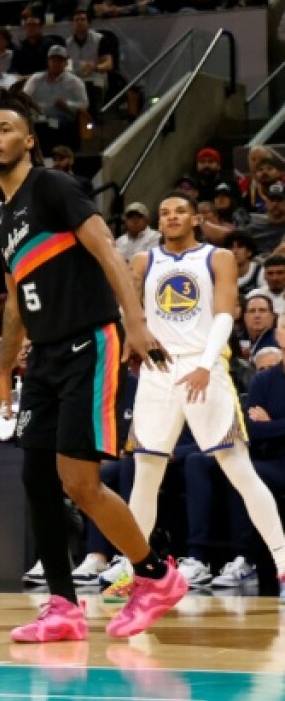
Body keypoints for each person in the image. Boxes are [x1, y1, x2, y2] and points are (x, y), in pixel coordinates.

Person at [0, 89, 186, 643]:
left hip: (89, 343)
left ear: (29, 139)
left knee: (79, 481)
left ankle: (155, 574)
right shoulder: (1, 214)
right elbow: (18, 295)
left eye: (4, 128)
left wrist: (134, 323)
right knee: (37, 478)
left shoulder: (53, 187)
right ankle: (63, 607)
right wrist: (1, 367)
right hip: (42, 358)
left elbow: (107, 251)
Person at [120, 194, 285, 595]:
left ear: (195, 218)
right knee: (145, 471)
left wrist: (206, 362)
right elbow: (127, 306)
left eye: (179, 211)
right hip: (159, 370)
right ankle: (136, 570)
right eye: (165, 212)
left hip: (204, 364)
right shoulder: (144, 261)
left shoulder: (217, 258)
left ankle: (282, 562)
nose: (172, 216)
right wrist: (132, 340)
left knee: (237, 468)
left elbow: (226, 313)